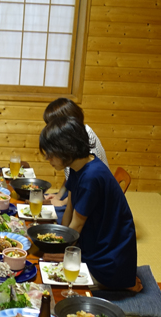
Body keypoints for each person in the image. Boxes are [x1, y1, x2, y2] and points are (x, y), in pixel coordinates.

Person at [39, 116, 139, 291]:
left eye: (51, 153)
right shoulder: (79, 166)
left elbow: (77, 225)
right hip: (93, 243)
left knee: (50, 283)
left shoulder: (92, 176)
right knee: (45, 258)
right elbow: (69, 209)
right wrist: (60, 245)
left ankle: (120, 284)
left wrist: (63, 255)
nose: (48, 158)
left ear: (65, 149)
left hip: (108, 259)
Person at [42, 98, 109, 225]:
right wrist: (58, 196)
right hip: (78, 190)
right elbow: (71, 176)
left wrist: (61, 202)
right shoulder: (72, 148)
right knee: (44, 204)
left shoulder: (83, 144)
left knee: (51, 215)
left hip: (93, 198)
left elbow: (87, 187)